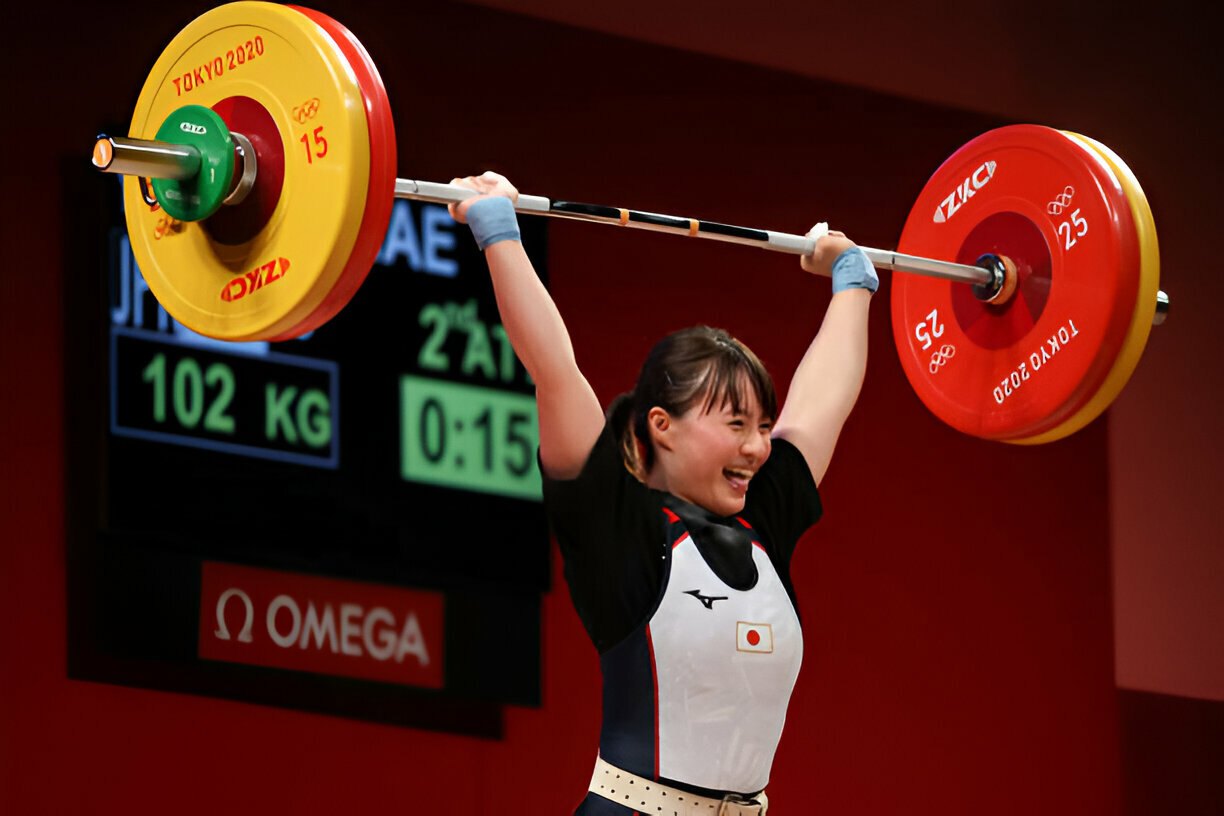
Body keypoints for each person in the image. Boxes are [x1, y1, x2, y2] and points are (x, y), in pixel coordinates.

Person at [449, 171, 875, 815]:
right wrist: (499, 232)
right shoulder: (617, 526)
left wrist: (851, 281)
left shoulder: (762, 514)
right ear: (662, 427)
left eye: (762, 426)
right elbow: (554, 370)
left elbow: (824, 401)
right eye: (736, 425)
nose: (758, 446)